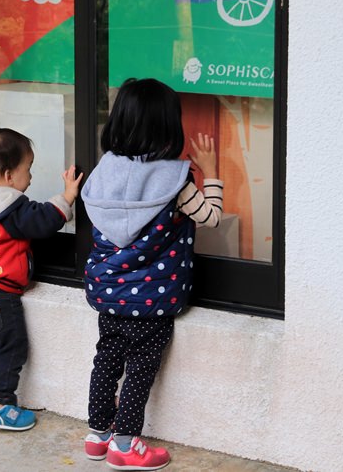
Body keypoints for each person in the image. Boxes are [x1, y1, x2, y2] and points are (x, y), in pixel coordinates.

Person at [80, 79, 224, 471]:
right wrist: (211, 173)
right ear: (167, 126)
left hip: (107, 293)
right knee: (140, 370)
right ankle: (125, 444)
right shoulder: (175, 180)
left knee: (106, 359)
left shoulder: (102, 172)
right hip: (153, 301)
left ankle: (98, 436)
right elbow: (211, 217)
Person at [0, 127, 83, 431]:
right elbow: (44, 220)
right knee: (11, 347)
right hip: (0, 297)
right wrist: (67, 195)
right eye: (28, 169)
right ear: (10, 176)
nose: (31, 177)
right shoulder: (12, 208)